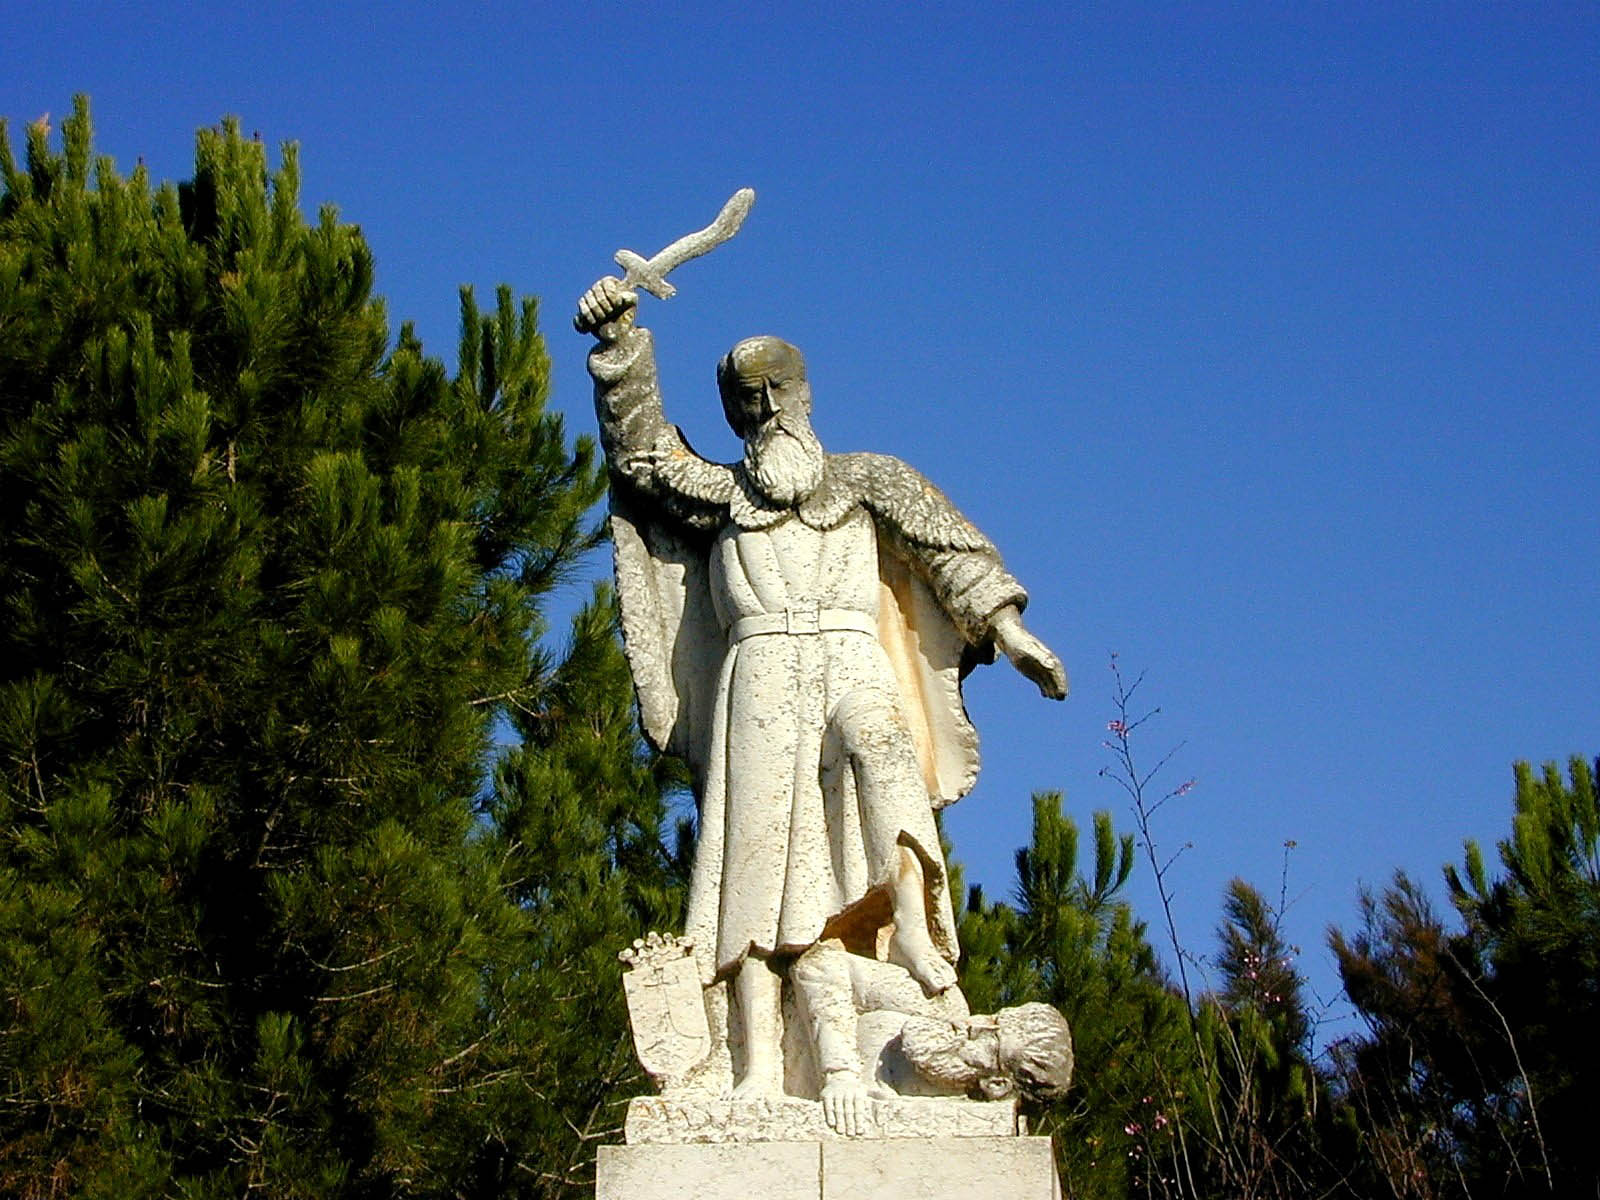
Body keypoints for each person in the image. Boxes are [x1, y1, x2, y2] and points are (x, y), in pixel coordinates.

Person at [577, 276, 1066, 1096]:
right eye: (746, 398)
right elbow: (642, 459)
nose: (764, 408)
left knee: (883, 745)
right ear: (734, 413)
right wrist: (620, 345)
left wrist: (1010, 631)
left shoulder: (871, 479)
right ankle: (758, 1061)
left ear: (805, 395)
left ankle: (911, 925)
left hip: (850, 658)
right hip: (760, 677)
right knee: (761, 873)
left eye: (777, 390)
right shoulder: (719, 493)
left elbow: (949, 550)